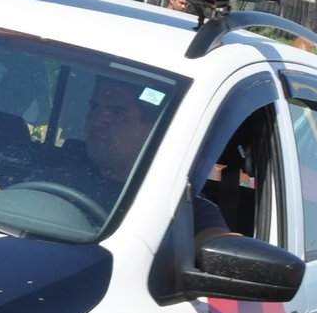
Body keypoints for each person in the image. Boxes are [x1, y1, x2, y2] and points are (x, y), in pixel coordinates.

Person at [52, 75, 228, 241]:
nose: (98, 121)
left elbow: (221, 246)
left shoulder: (182, 210)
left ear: (153, 130)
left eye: (118, 114)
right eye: (95, 108)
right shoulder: (55, 180)